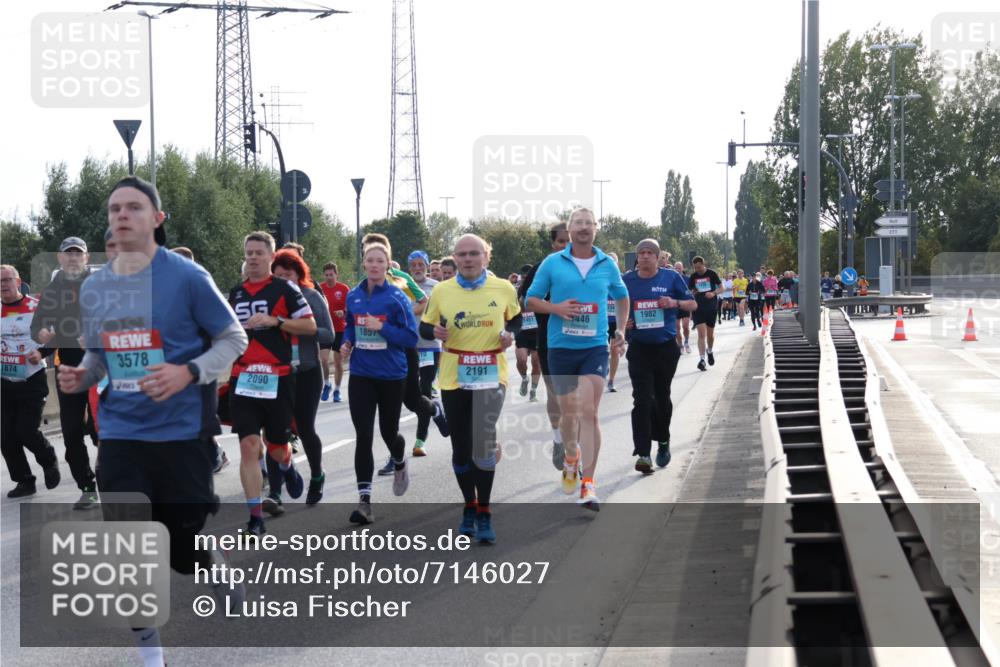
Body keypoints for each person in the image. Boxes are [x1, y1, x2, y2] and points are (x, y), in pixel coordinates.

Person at [59, 175, 248, 666]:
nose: (121, 215)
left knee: (182, 551)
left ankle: (210, 561)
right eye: (114, 209)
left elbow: (233, 340)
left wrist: (188, 372)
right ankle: (150, 653)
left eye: (134, 208)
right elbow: (100, 355)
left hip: (181, 435)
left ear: (157, 219)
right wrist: (83, 375)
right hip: (122, 434)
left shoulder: (187, 277)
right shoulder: (97, 285)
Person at [526, 207, 628, 511]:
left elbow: (622, 297)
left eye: (588, 223)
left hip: (595, 347)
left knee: (589, 412)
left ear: (596, 228)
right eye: (578, 223)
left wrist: (620, 329)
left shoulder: (606, 263)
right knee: (568, 413)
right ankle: (571, 456)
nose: (583, 228)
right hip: (560, 348)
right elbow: (530, 299)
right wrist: (556, 309)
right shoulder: (553, 263)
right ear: (569, 230)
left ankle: (589, 482)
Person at [421, 234, 520, 543]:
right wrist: (433, 330)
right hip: (453, 375)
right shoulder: (441, 290)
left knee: (483, 442)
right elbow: (426, 325)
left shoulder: (503, 288)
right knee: (461, 448)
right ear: (454, 258)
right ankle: (469, 504)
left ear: (485, 257)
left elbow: (516, 320)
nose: (467, 259)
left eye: (474, 253)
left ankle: (486, 512)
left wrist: (509, 335)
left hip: (492, 373)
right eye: (462, 254)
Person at [228, 231, 315, 537]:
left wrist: (275, 321)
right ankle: (255, 518)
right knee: (249, 446)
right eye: (248, 252)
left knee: (276, 448)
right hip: (244, 378)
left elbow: (310, 325)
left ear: (270, 256)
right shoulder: (235, 294)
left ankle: (288, 467)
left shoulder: (285, 290)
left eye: (258, 253)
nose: (252, 257)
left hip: (277, 379)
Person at [340, 243, 417, 524]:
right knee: (364, 435)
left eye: (379, 261)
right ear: (363, 264)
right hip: (361, 374)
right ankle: (364, 503)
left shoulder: (397, 298)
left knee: (388, 432)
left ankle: (399, 459)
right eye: (369, 261)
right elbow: (350, 324)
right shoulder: (353, 295)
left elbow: (410, 338)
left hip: (391, 375)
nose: (374, 265)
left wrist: (381, 327)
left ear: (387, 266)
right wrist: (348, 341)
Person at [359, 234, 448, 475]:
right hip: (378, 353)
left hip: (411, 346)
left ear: (387, 257)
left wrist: (403, 313)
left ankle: (435, 410)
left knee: (413, 398)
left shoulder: (401, 278)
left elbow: (424, 300)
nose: (373, 261)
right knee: (389, 411)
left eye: (378, 255)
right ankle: (394, 456)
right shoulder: (362, 284)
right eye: (368, 255)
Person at [263, 250, 334, 512]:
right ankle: (275, 492)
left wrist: (301, 327)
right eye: (278, 275)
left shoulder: (312, 296)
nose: (283, 280)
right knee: (274, 432)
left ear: (299, 274)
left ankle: (317, 475)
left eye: (288, 275)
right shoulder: (268, 298)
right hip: (277, 373)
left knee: (304, 429)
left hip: (306, 370)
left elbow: (329, 334)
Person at [30, 236, 97, 508]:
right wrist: (42, 337)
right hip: (67, 368)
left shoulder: (100, 286)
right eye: (68, 254)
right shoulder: (52, 291)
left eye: (77, 253)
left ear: (86, 258)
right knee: (71, 434)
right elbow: (40, 327)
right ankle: (87, 488)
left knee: (100, 430)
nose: (72, 258)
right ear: (60, 258)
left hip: (99, 368)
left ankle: (118, 484)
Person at [621, 241, 695, 473]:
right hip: (639, 348)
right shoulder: (627, 280)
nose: (644, 257)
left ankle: (663, 441)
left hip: (665, 348)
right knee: (642, 400)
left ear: (657, 256)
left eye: (649, 253)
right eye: (641, 253)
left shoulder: (671, 277)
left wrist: (674, 303)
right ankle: (643, 453)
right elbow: (615, 308)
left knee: (661, 398)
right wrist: (624, 324)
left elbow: (692, 303)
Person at [169, 246, 230, 475]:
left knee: (200, 419)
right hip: (174, 366)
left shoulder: (204, 291)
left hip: (201, 364)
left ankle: (213, 452)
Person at [2, 265, 61, 498]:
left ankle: (48, 459)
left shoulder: (37, 308)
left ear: (18, 282)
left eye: (7, 279)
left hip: (32, 377)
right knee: (6, 437)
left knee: (26, 431)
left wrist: (42, 353)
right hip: (4, 380)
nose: (3, 285)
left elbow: (60, 334)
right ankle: (24, 480)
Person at [518, 222, 571, 470]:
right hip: (550, 341)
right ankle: (559, 440)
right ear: (554, 244)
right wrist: (551, 305)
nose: (567, 246)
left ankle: (575, 452)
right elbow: (525, 300)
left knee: (578, 400)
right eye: (561, 242)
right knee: (556, 396)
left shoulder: (594, 267)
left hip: (584, 342)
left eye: (571, 241)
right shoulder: (543, 267)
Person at [407, 249, 441, 456]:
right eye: (414, 265)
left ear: (427, 266)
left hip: (429, 345)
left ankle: (420, 440)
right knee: (409, 394)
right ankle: (436, 410)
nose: (418, 269)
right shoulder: (402, 286)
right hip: (408, 346)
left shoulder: (436, 288)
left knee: (425, 388)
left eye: (421, 264)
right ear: (409, 268)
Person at [319, 262, 350, 403]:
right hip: (325, 329)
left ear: (336, 275)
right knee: (324, 360)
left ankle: (337, 390)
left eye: (331, 274)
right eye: (326, 275)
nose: (329, 277)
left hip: (339, 330)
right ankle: (327, 384)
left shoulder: (343, 289)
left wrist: (342, 312)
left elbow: (350, 309)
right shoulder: (320, 288)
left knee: (338, 363)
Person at [688, 256, 721, 371]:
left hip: (711, 307)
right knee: (701, 334)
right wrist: (692, 292)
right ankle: (702, 360)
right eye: (695, 268)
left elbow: (722, 288)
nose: (698, 270)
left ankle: (710, 351)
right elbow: (689, 291)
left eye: (699, 267)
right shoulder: (693, 276)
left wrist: (713, 293)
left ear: (703, 264)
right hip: (698, 308)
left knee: (710, 335)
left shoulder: (712, 274)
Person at [513, 262, 541, 401]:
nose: (526, 279)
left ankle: (534, 390)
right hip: (522, 330)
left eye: (528, 277)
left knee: (536, 362)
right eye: (524, 277)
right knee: (521, 360)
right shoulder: (517, 289)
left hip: (537, 331)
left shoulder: (541, 288)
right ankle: (524, 379)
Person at [605, 252, 622, 392]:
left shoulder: (622, 280)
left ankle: (611, 381)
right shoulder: (598, 279)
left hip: (616, 321)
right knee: (603, 350)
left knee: (615, 350)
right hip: (601, 321)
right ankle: (605, 365)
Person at [672, 261, 692, 353]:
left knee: (685, 326)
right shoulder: (671, 279)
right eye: (676, 268)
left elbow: (691, 291)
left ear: (682, 268)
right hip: (675, 305)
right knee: (677, 328)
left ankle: (687, 342)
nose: (678, 269)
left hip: (685, 304)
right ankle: (680, 345)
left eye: (679, 268)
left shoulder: (687, 279)